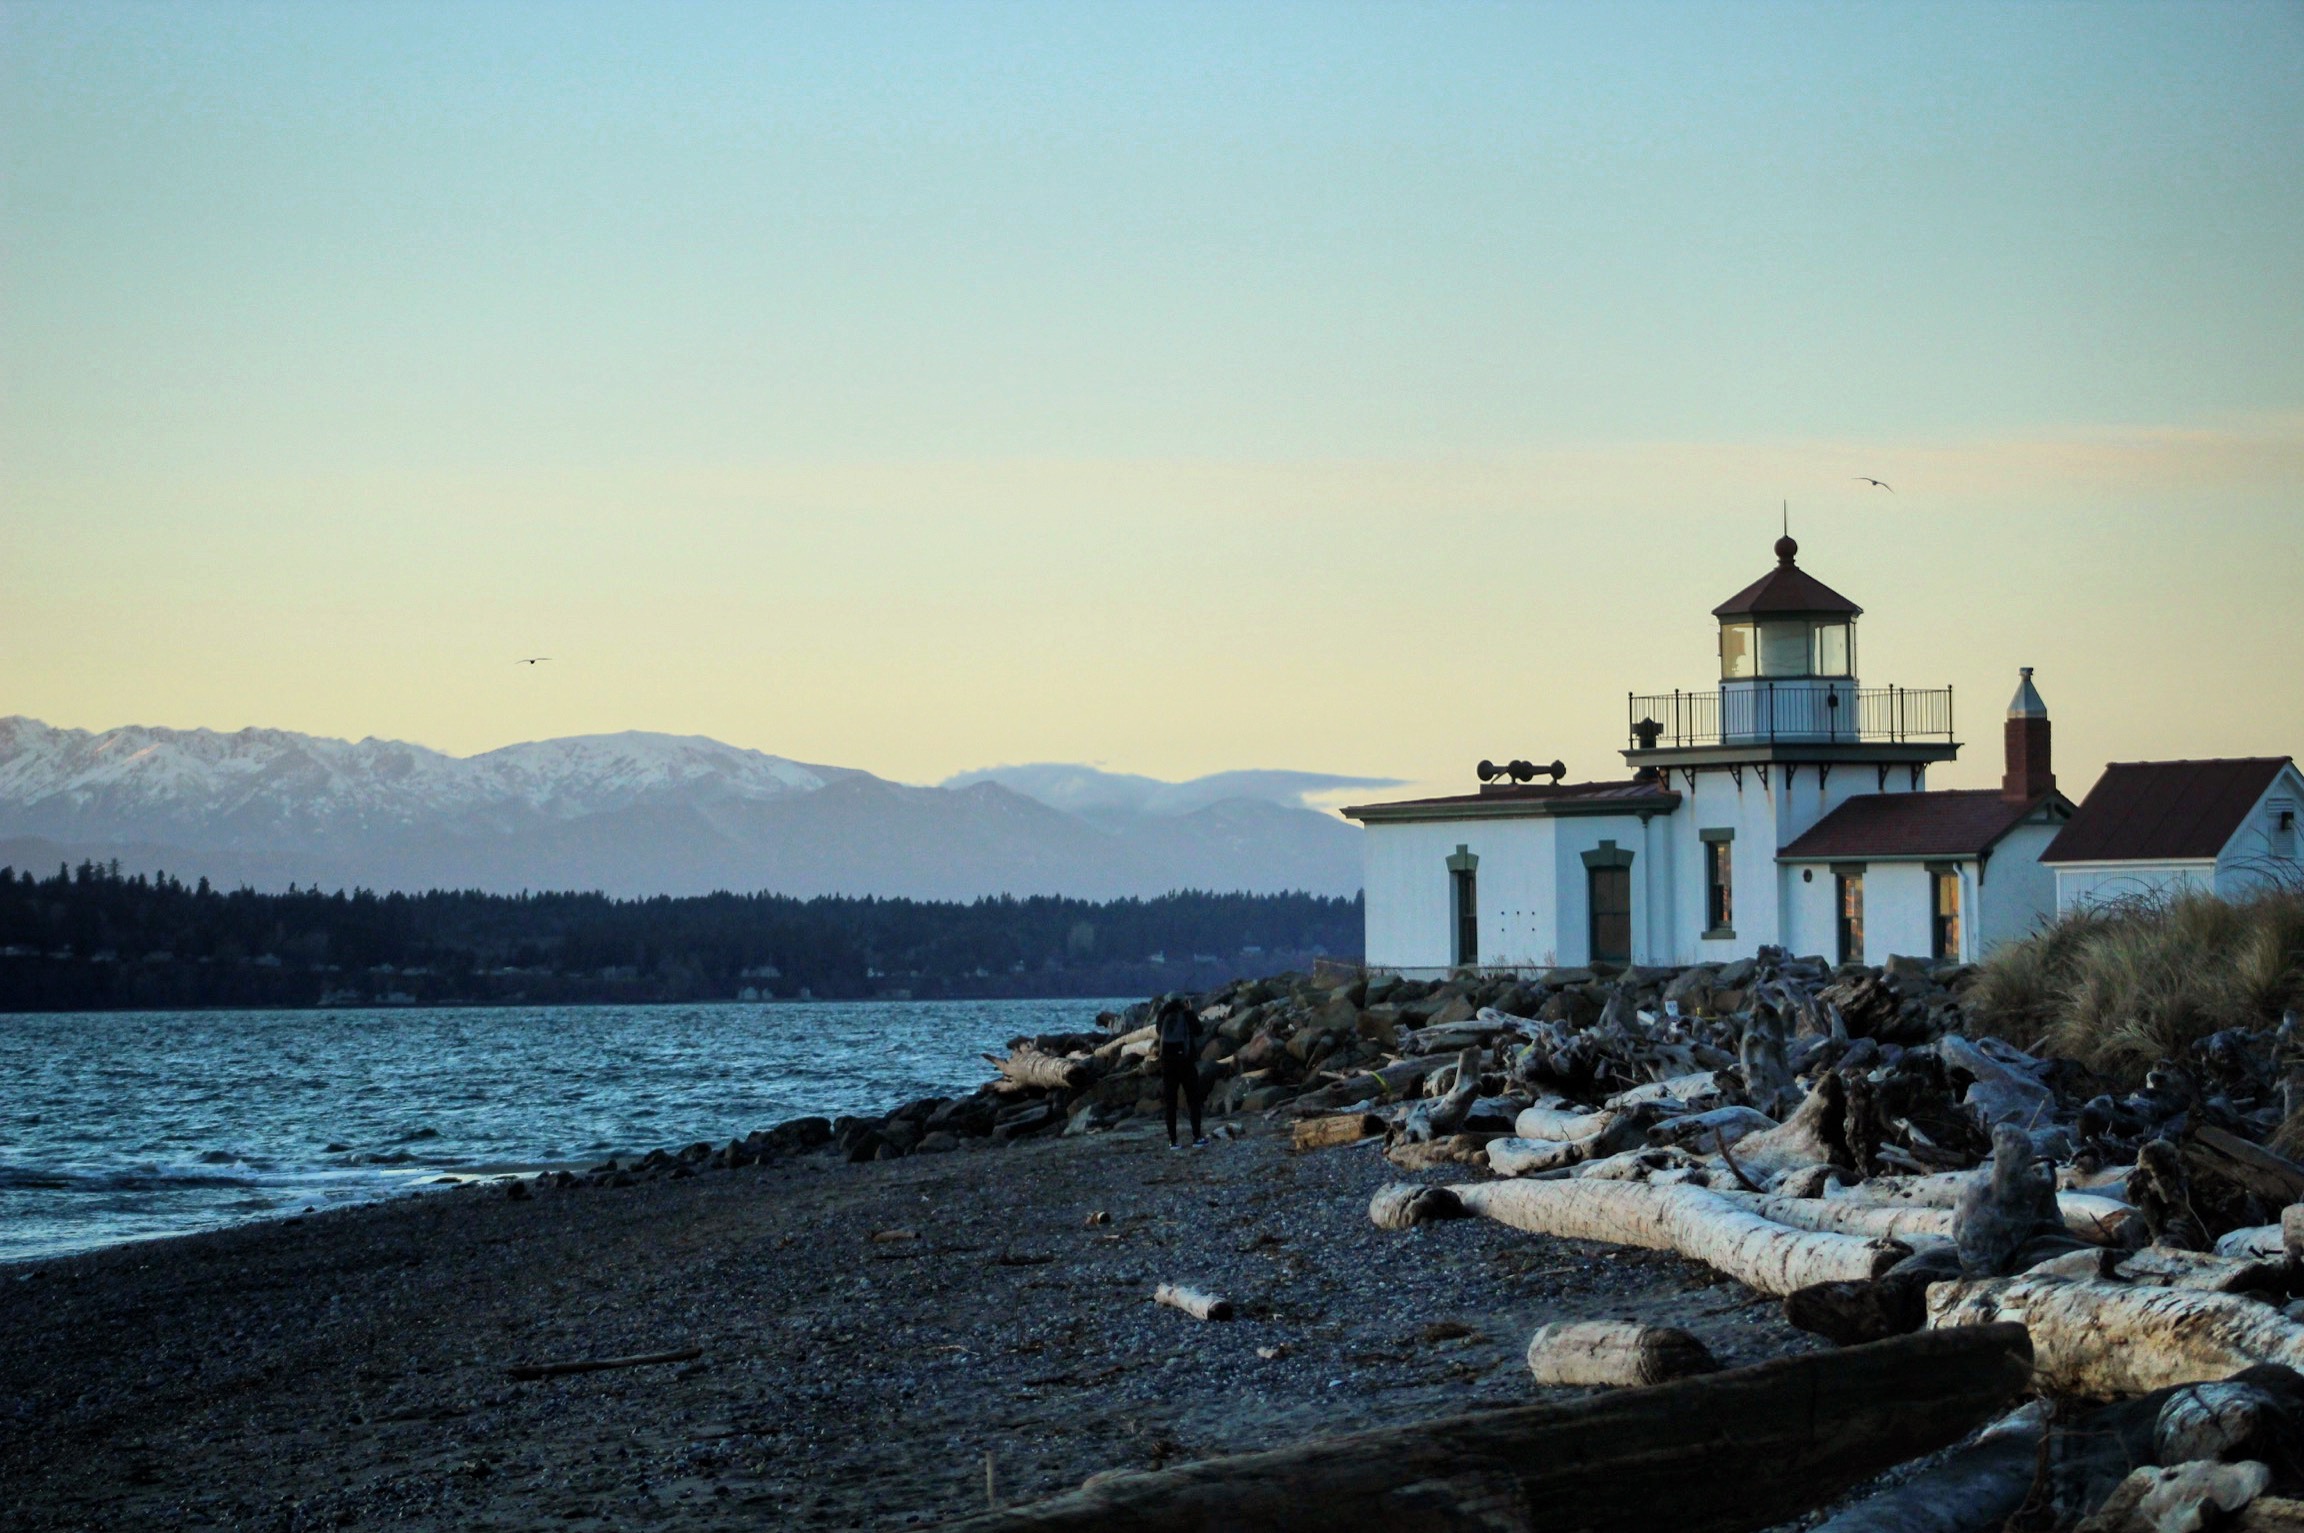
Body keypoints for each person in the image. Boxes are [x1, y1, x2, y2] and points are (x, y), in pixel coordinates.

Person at [1155, 996, 1209, 1149]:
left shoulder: (1163, 1014)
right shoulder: (1186, 1013)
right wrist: (1190, 1011)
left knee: (1170, 1104)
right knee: (1193, 1101)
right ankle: (1197, 1137)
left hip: (1167, 1064)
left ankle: (1173, 1141)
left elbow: (1159, 1031)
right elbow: (1199, 1031)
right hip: (1186, 1063)